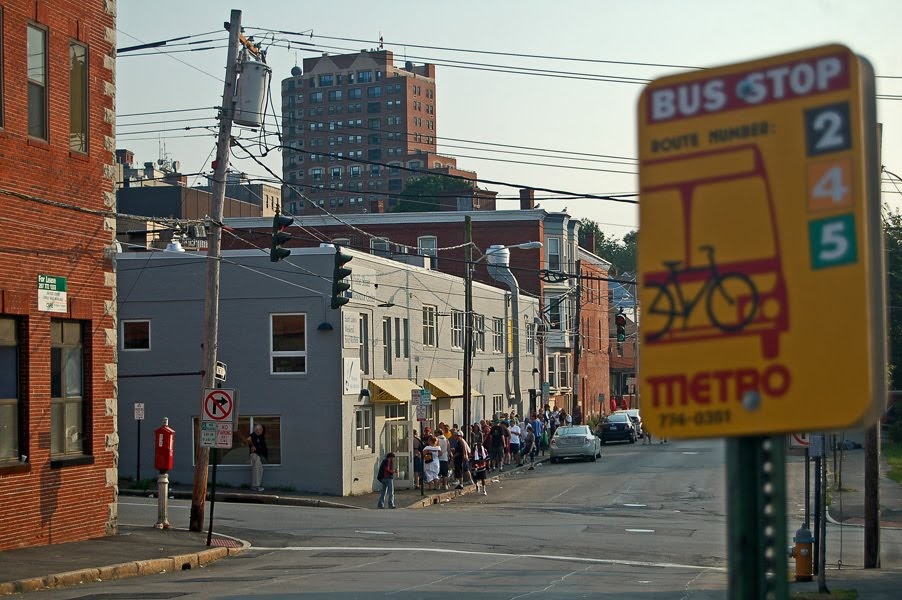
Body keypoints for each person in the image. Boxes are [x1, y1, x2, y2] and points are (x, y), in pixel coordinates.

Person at [247, 424, 268, 492]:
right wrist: (253, 446)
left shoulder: (258, 437)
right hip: (255, 454)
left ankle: (256, 485)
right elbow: (248, 439)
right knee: (256, 470)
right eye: (261, 429)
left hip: (257, 455)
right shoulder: (254, 435)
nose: (261, 431)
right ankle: (255, 486)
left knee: (260, 469)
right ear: (257, 429)